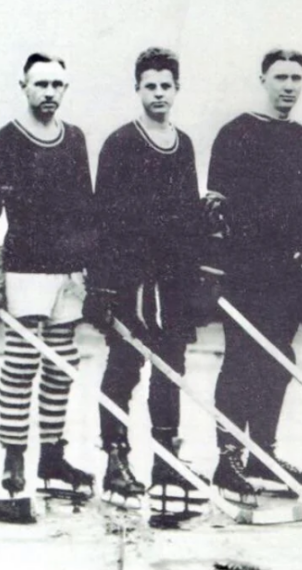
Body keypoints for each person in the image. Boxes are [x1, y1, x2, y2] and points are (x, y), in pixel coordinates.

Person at [85, 47, 208, 516]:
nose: (158, 93)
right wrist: (104, 285)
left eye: (166, 85)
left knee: (170, 368)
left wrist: (196, 275)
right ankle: (115, 458)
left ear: (177, 89)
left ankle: (166, 460)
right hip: (131, 277)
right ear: (137, 89)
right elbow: (103, 217)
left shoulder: (185, 144)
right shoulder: (121, 143)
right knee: (125, 365)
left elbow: (191, 218)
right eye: (150, 86)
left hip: (172, 277)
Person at [0, 53, 96, 497]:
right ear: (23, 84)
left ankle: (52, 457)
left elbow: (86, 206)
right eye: (41, 84)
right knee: (22, 365)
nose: (49, 93)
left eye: (57, 85)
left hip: (67, 272)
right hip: (24, 267)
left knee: (62, 366)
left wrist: (87, 267)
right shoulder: (4, 141)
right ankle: (13, 456)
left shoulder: (75, 138)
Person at [206, 48, 302, 501]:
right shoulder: (235, 133)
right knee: (241, 358)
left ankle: (263, 453)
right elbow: (217, 207)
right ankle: (228, 458)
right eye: (281, 77)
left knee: (279, 359)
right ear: (263, 79)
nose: (289, 85)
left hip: (286, 270)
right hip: (244, 268)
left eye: (297, 77)